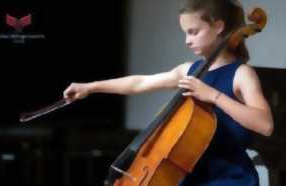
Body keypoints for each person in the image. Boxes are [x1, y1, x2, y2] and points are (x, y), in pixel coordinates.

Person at [63, 0, 274, 185]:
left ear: (218, 26)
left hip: (229, 179)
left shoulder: (241, 73)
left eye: (194, 32)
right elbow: (140, 83)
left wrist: (212, 96)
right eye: (185, 33)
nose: (187, 40)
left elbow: (265, 125)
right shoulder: (189, 70)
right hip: (189, 177)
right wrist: (90, 87)